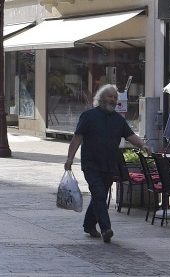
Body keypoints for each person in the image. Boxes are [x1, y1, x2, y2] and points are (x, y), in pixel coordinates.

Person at [64, 85, 151, 244]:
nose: (113, 100)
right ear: (101, 98)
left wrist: (142, 145)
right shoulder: (88, 116)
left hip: (110, 165)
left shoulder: (119, 120)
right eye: (110, 96)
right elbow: (77, 138)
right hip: (91, 164)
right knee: (99, 194)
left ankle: (89, 225)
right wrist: (70, 158)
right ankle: (106, 229)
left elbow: (130, 135)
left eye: (115, 97)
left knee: (100, 196)